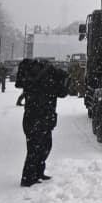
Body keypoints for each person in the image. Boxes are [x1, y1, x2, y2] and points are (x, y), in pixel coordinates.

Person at [15, 59, 69, 187]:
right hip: (41, 117)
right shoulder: (48, 81)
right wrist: (65, 81)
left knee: (41, 146)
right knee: (38, 147)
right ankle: (28, 177)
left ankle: (37, 173)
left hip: (34, 117)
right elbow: (62, 93)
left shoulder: (33, 81)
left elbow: (20, 85)